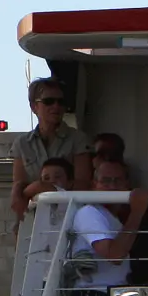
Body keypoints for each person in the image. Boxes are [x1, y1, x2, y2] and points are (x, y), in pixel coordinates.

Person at [62, 159, 148, 296]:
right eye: (105, 181)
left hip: (116, 294)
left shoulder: (113, 218)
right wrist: (137, 212)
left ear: (126, 184)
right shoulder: (89, 212)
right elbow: (114, 255)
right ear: (94, 184)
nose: (112, 186)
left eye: (117, 180)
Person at [10, 78, 94, 222]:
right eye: (49, 101)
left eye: (61, 102)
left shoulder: (78, 139)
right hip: (32, 218)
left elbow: (83, 184)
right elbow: (19, 183)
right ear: (34, 106)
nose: (56, 106)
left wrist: (42, 187)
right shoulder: (22, 143)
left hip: (69, 219)